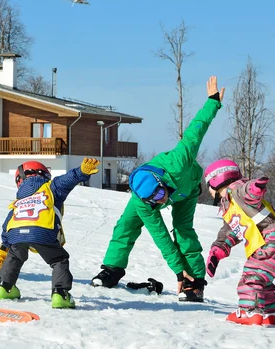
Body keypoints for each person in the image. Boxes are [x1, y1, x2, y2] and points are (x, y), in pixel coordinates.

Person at [91, 76, 225, 303]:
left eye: (161, 195)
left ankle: (195, 282)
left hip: (186, 189)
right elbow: (160, 235)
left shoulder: (179, 160)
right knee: (126, 224)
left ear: (161, 184)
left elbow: (196, 130)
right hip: (156, 193)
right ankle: (112, 270)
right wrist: (176, 269)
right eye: (155, 201)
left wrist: (212, 101)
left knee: (184, 231)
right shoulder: (144, 200)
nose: (161, 202)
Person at [0, 158, 100, 309]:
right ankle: (60, 295)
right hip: (41, 231)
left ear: (19, 180)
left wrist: (4, 248)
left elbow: (7, 224)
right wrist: (81, 172)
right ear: (45, 176)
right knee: (58, 259)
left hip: (16, 233)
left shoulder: (19, 201)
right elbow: (67, 180)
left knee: (15, 255)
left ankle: (4, 287)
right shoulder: (51, 187)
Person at [203, 160, 275, 326]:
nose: (208, 190)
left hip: (269, 234)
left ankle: (249, 312)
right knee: (261, 278)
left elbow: (248, 191)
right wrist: (217, 252)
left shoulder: (236, 190)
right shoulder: (231, 203)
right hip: (271, 234)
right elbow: (230, 230)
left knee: (251, 277)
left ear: (217, 180)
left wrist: (255, 187)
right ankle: (268, 314)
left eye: (208, 184)